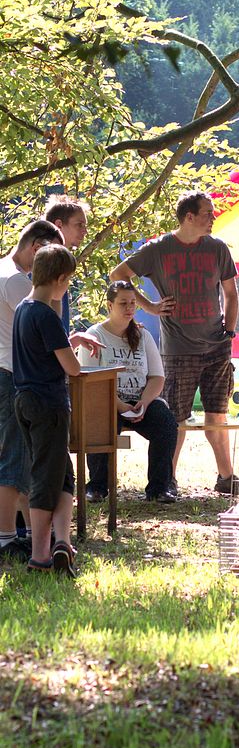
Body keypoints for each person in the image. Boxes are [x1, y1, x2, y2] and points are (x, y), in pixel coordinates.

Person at [109, 191, 239, 497]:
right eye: (208, 213)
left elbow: (231, 293)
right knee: (176, 417)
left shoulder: (217, 248)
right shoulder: (159, 249)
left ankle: (226, 477)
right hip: (178, 348)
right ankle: (167, 481)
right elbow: (118, 275)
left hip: (217, 345)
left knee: (218, 414)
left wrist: (230, 332)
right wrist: (150, 306)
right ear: (189, 217)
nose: (213, 217)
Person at [13, 244, 102, 576]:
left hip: (25, 399)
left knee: (63, 475)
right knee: (44, 479)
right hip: (48, 405)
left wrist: (70, 339)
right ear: (61, 279)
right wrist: (74, 353)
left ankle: (62, 542)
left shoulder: (24, 308)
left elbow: (42, 348)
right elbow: (72, 368)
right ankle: (40, 556)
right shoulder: (46, 314)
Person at [80, 281, 178, 505]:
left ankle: (160, 487)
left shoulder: (143, 336)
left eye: (133, 303)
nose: (129, 308)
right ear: (109, 305)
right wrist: (120, 406)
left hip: (140, 401)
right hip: (106, 402)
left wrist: (144, 402)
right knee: (99, 423)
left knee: (166, 424)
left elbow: (156, 376)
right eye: (123, 303)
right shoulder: (94, 335)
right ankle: (97, 486)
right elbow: (91, 382)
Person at [0, 220, 64, 564]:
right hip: (13, 374)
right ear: (37, 249)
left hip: (12, 373)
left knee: (23, 456)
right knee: (13, 458)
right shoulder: (14, 281)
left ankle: (23, 532)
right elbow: (41, 322)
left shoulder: (5, 271)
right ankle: (7, 537)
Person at [43, 196, 89, 332]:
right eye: (79, 224)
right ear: (59, 225)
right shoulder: (44, 261)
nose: (85, 231)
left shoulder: (60, 261)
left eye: (85, 226)